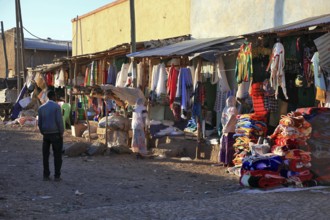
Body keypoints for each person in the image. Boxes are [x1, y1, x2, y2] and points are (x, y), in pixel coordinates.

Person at [38, 90, 64, 181]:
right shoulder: (56, 107)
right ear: (54, 96)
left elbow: (39, 123)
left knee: (45, 156)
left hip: (46, 134)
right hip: (55, 133)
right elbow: (59, 121)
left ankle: (46, 175)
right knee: (57, 155)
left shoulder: (41, 108)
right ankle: (57, 176)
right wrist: (61, 132)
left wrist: (43, 132)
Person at [219, 96, 238, 167]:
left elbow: (223, 119)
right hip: (231, 130)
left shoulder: (226, 108)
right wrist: (226, 126)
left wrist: (224, 126)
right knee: (229, 146)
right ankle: (228, 162)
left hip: (226, 130)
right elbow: (231, 119)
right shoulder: (233, 109)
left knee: (225, 146)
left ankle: (225, 162)